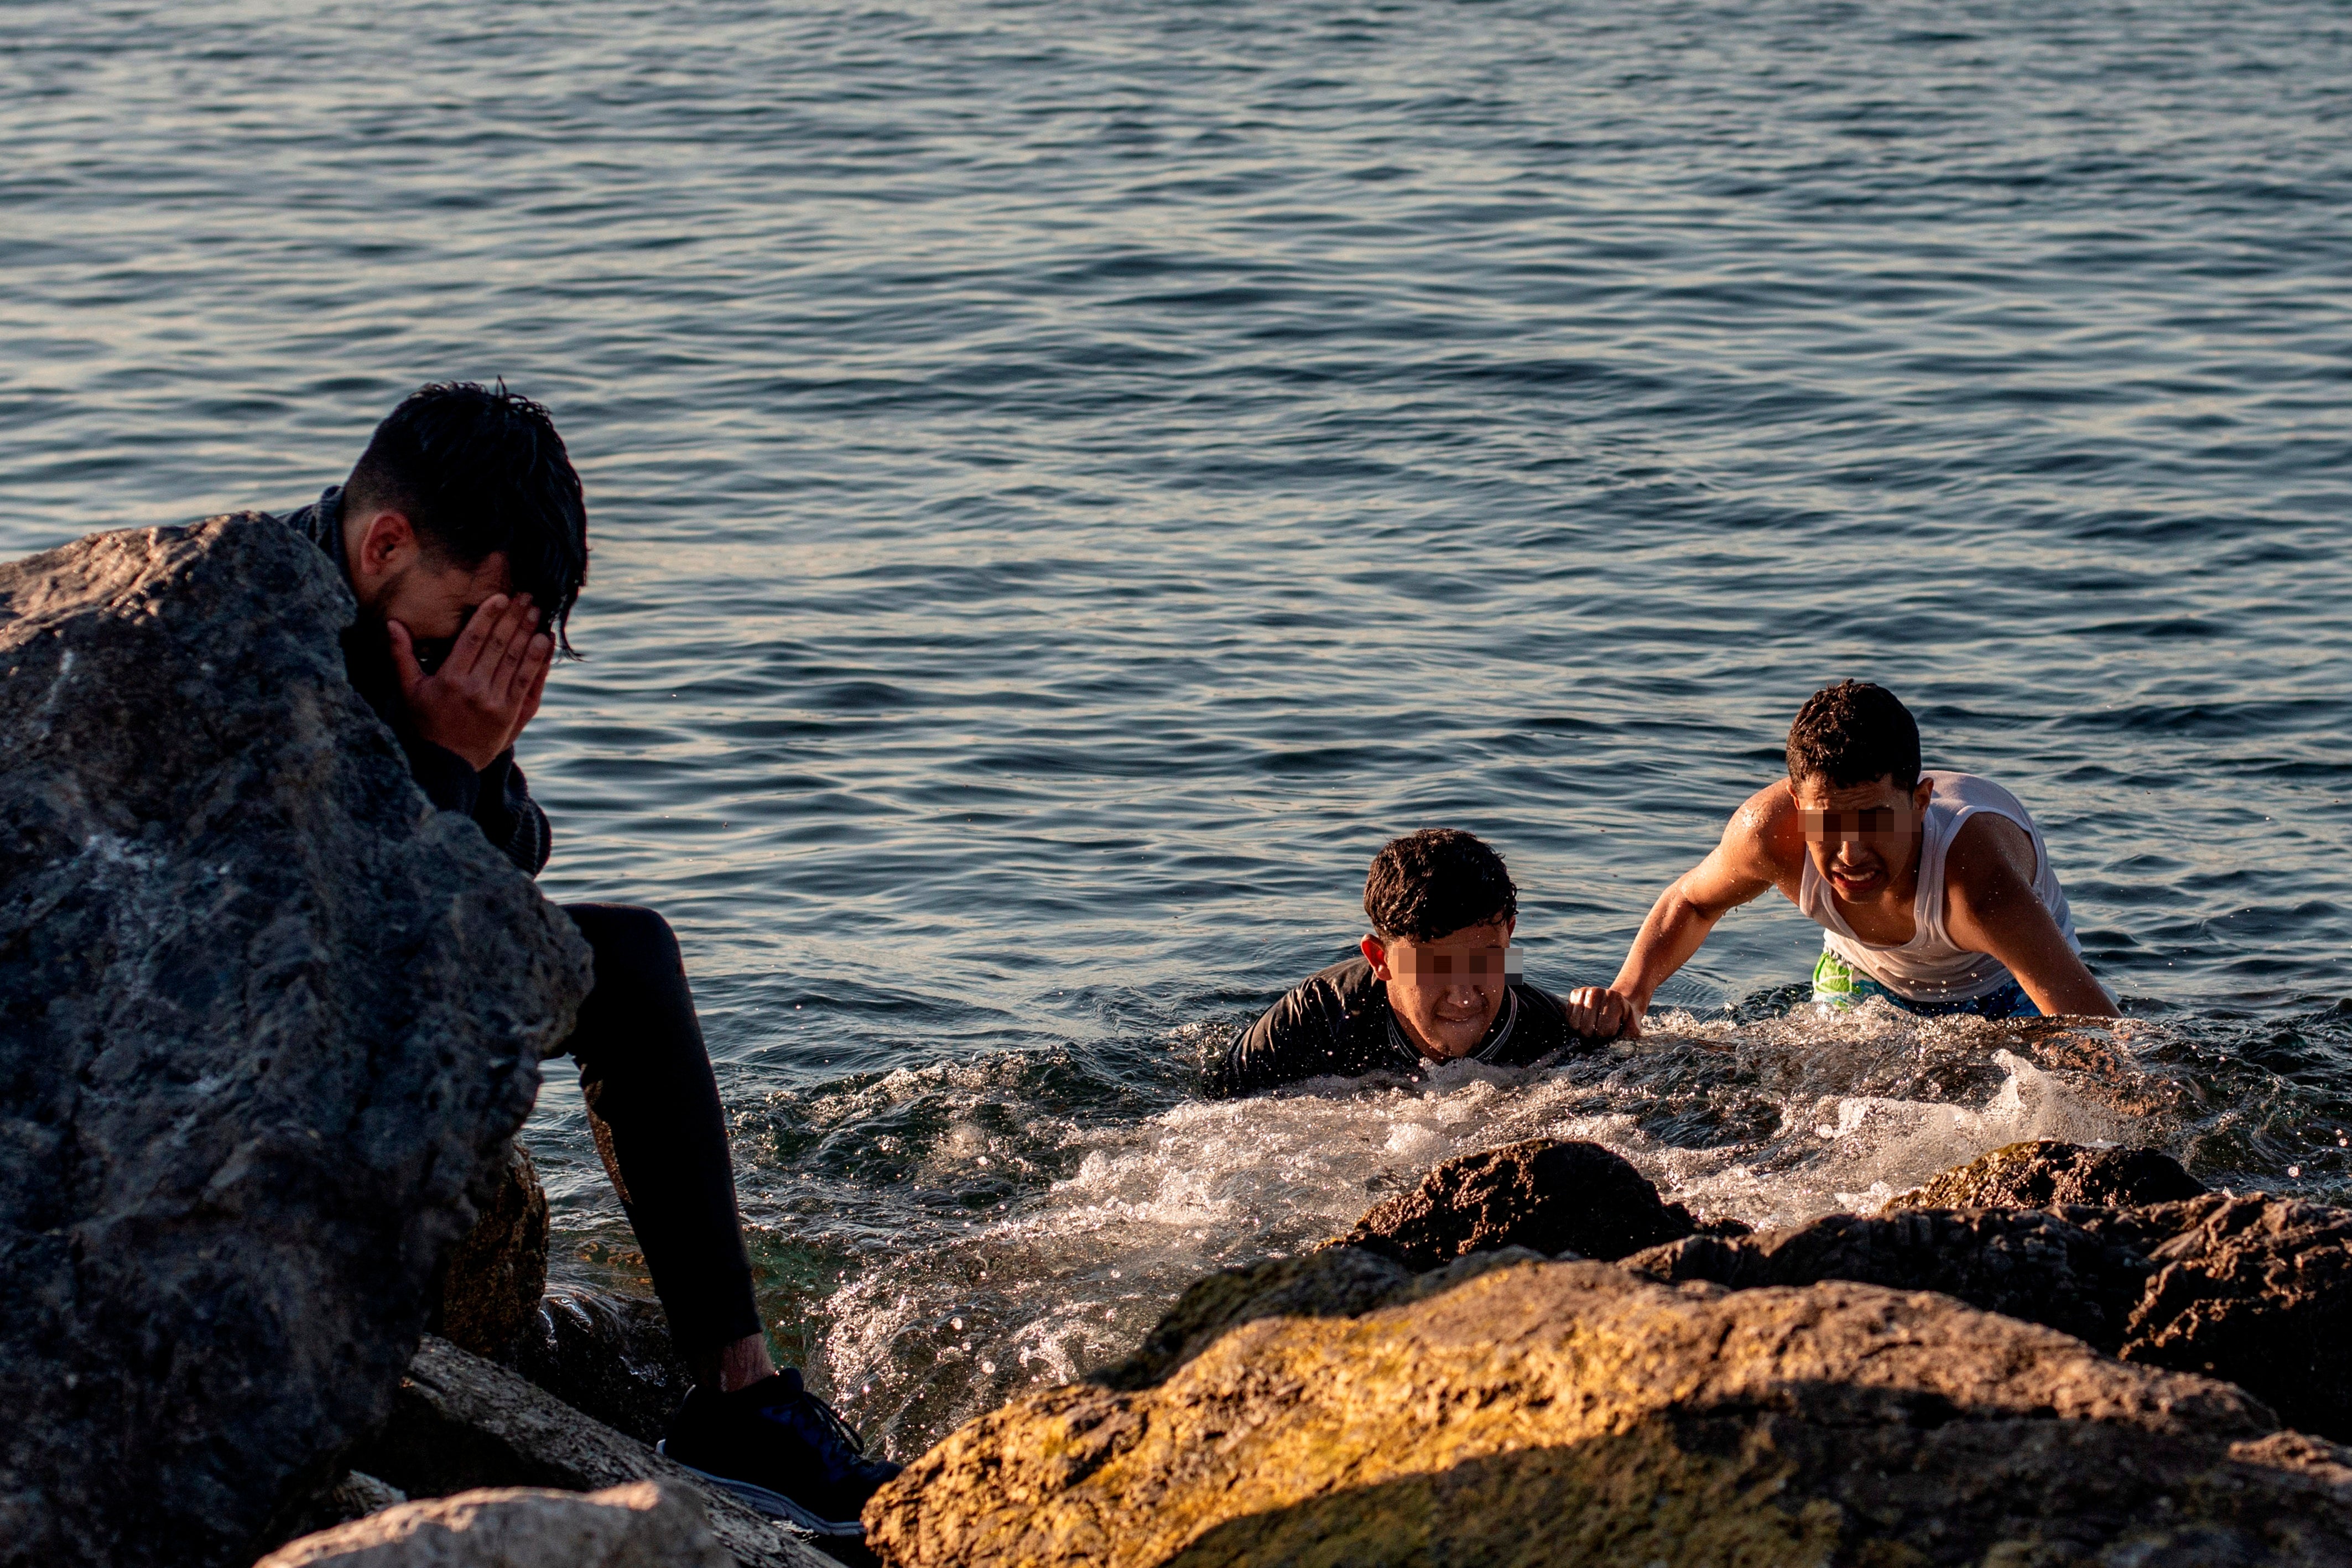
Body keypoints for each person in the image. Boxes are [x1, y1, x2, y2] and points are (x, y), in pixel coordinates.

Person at [275, 382, 897, 1538]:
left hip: (364, 1016)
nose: (486, 657)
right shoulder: (264, 636)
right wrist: (450, 764)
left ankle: (737, 1394)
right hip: (252, 1041)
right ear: (385, 544)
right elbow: (352, 949)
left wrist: (476, 757)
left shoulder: (423, 631)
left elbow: (505, 886)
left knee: (627, 957)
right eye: (471, 624)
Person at [1566, 680, 2117, 1038]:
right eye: (1827, 824)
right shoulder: (1768, 833)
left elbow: (2093, 1030)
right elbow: (1691, 902)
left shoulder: (1977, 884)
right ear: (1798, 805)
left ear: (1919, 802)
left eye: (1875, 820)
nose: (1850, 854)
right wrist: (1628, 996)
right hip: (1861, 980)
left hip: (2005, 990)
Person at [1209, 828, 1591, 1097]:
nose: (1463, 996)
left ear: (1509, 936)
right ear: (1380, 958)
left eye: (1486, 962)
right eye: (1435, 967)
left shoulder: (1555, 1036)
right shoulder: (1313, 1021)